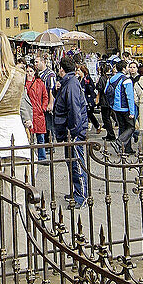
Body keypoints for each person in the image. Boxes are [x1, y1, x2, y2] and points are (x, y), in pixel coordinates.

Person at [51, 57, 88, 206]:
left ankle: (82, 195)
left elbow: (74, 109)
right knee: (71, 162)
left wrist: (73, 131)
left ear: (61, 69)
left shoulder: (72, 84)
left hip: (73, 131)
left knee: (76, 163)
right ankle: (77, 191)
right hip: (68, 130)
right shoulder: (68, 82)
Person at [23, 63, 50, 162]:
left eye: (31, 71)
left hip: (38, 112)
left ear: (34, 72)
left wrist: (43, 108)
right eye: (27, 71)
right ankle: (29, 156)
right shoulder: (23, 84)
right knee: (28, 137)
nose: (29, 73)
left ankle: (42, 157)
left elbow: (45, 96)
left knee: (40, 137)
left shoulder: (40, 83)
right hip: (28, 113)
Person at [106, 61, 136, 152]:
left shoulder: (111, 79)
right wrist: (132, 111)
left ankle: (126, 149)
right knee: (131, 127)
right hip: (125, 107)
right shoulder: (126, 80)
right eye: (127, 67)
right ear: (123, 69)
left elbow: (106, 91)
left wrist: (112, 104)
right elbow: (130, 97)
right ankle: (119, 142)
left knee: (122, 127)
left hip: (116, 107)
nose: (128, 69)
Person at [33, 54, 56, 138]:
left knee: (48, 125)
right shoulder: (38, 74)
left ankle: (50, 146)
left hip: (46, 103)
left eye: (37, 62)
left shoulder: (50, 74)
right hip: (40, 103)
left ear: (42, 62)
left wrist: (50, 103)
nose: (35, 64)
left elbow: (51, 89)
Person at [76, 63, 100, 134]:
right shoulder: (78, 79)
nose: (77, 72)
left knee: (89, 114)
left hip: (87, 100)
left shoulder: (87, 79)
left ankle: (97, 126)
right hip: (80, 100)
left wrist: (93, 97)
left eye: (79, 71)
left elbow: (92, 88)